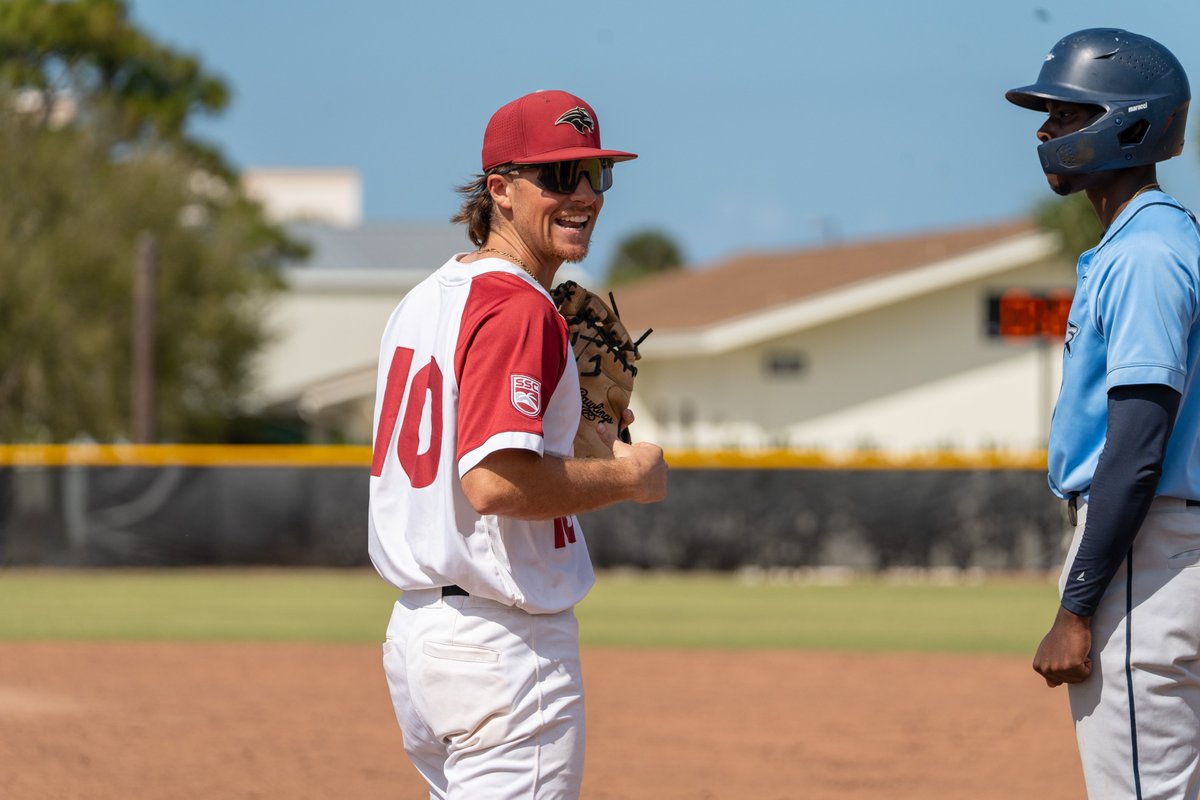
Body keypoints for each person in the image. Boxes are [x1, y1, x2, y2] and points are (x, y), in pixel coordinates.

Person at [367, 89, 668, 799]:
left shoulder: (426, 299)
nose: (585, 194)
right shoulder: (517, 307)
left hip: (421, 641)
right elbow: (495, 483)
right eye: (560, 177)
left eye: (598, 174)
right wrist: (629, 477)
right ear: (499, 189)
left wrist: (585, 439)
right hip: (501, 647)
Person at [1007, 29, 1200, 798]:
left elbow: (1136, 446)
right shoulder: (1166, 240)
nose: (1046, 133)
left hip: (1144, 554)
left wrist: (1078, 605)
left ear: (1127, 122)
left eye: (1063, 114)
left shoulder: (1147, 254)